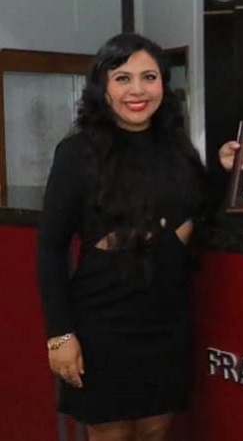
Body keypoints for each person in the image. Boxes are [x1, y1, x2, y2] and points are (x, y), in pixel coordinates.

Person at [36, 33, 206, 439]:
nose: (137, 90)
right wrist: (59, 334)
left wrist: (228, 168)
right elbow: (50, 248)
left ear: (163, 84)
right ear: (103, 87)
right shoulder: (77, 152)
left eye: (149, 77)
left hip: (166, 319)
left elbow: (202, 207)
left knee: (154, 430)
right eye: (123, 78)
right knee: (110, 433)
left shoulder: (178, 148)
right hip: (103, 321)